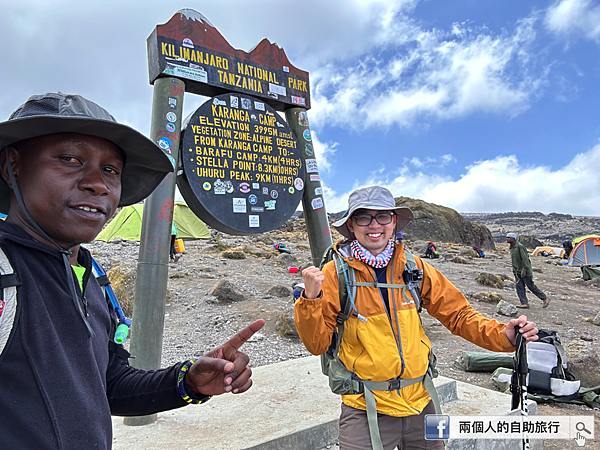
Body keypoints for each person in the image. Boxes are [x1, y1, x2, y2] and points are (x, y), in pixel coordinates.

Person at [0, 92, 264, 449]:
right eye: (70, 159)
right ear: (11, 165)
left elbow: (107, 385)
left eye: (111, 170)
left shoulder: (88, 274)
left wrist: (187, 382)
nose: (98, 183)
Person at [295, 186, 539, 450]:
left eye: (383, 217)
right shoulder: (334, 274)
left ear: (394, 222)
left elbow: (459, 315)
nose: (374, 225)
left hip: (423, 401)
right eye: (364, 217)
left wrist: (503, 335)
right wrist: (310, 299)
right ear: (351, 225)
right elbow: (317, 344)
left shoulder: (414, 268)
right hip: (365, 408)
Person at [506, 232, 549, 309]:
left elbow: (525, 259)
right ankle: (524, 303)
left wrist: (524, 269)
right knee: (519, 286)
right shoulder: (511, 248)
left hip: (524, 271)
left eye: (509, 237)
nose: (507, 239)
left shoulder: (520, 247)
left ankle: (544, 298)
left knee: (530, 286)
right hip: (517, 271)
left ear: (514, 239)